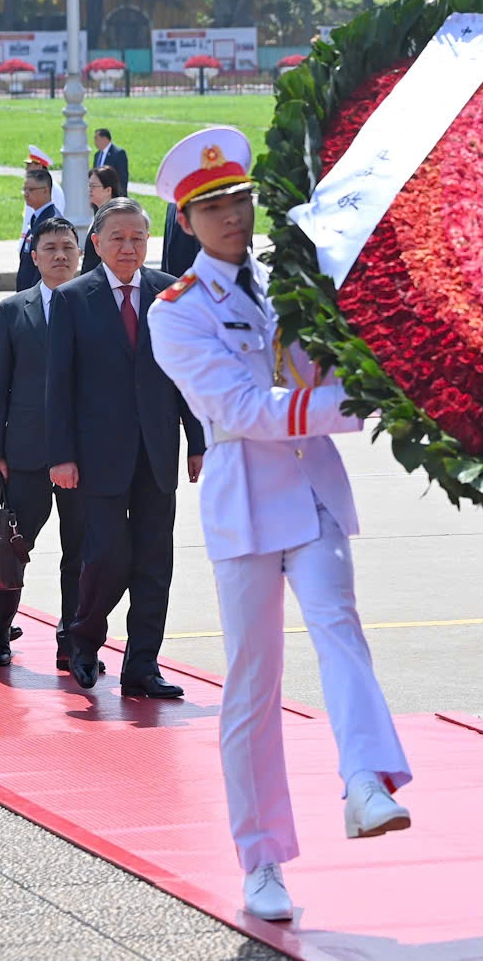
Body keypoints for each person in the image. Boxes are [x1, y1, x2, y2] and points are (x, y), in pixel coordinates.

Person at [148, 127, 410, 923]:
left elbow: (334, 359)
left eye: (241, 199)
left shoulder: (291, 283)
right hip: (247, 498)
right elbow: (238, 409)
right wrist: (357, 404)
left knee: (341, 627)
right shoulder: (178, 311)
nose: (234, 214)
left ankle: (366, 780)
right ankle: (261, 857)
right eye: (215, 206)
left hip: (313, 489)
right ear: (188, 220)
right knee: (253, 686)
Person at [48, 196, 205, 699]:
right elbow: (59, 385)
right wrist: (62, 454)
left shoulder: (171, 294)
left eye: (137, 237)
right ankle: (85, 639)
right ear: (95, 243)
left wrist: (197, 441)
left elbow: (186, 375)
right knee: (107, 557)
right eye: (117, 237)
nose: (128, 247)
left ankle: (142, 665)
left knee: (155, 561)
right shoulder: (74, 298)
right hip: (97, 457)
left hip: (157, 452)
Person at [0, 216, 83, 672]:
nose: (60, 255)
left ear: (82, 253)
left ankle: (73, 638)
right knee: (14, 546)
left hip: (84, 455)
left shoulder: (92, 305)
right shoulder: (13, 310)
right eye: (51, 248)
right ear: (34, 255)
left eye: (68, 247)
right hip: (24, 453)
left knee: (81, 551)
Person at [15, 165, 60, 291]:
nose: (26, 194)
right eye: (25, 190)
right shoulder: (36, 217)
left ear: (45, 191)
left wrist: (33, 294)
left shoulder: (51, 222)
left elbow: (46, 266)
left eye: (31, 190)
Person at [81, 167, 119, 272]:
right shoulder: (99, 214)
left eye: (94, 186)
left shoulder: (113, 218)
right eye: (89, 186)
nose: (90, 190)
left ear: (108, 190)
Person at [93, 128, 129, 197]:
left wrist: (121, 196)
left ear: (104, 139)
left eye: (96, 138)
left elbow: (123, 177)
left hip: (113, 195)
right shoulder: (97, 155)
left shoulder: (118, 153)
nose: (95, 142)